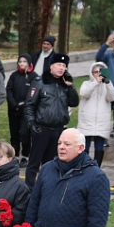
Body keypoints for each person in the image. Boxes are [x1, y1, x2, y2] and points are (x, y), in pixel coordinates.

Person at [24, 53, 79, 190]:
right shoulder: (39, 82)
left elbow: (74, 102)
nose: (61, 68)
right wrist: (31, 123)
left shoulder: (64, 84)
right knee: (34, 162)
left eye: (64, 66)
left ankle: (48, 187)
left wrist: (70, 86)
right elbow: (30, 104)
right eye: (58, 65)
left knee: (53, 162)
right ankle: (29, 188)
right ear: (51, 66)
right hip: (42, 128)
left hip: (59, 129)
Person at [77, 61, 114, 167]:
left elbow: (112, 98)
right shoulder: (87, 83)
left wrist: (108, 84)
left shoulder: (108, 84)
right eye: (95, 72)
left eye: (100, 72)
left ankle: (96, 167)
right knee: (85, 146)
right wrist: (95, 83)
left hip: (101, 121)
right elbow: (84, 94)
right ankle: (83, 166)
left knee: (99, 147)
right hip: (87, 121)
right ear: (91, 73)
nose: (98, 74)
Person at [6, 53, 36, 166]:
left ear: (29, 63)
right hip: (13, 110)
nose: (22, 64)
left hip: (26, 111)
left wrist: (23, 104)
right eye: (20, 61)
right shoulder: (14, 75)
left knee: (25, 134)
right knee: (14, 134)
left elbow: (33, 93)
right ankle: (14, 155)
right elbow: (8, 90)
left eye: (24, 62)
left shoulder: (33, 76)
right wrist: (14, 103)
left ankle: (25, 155)